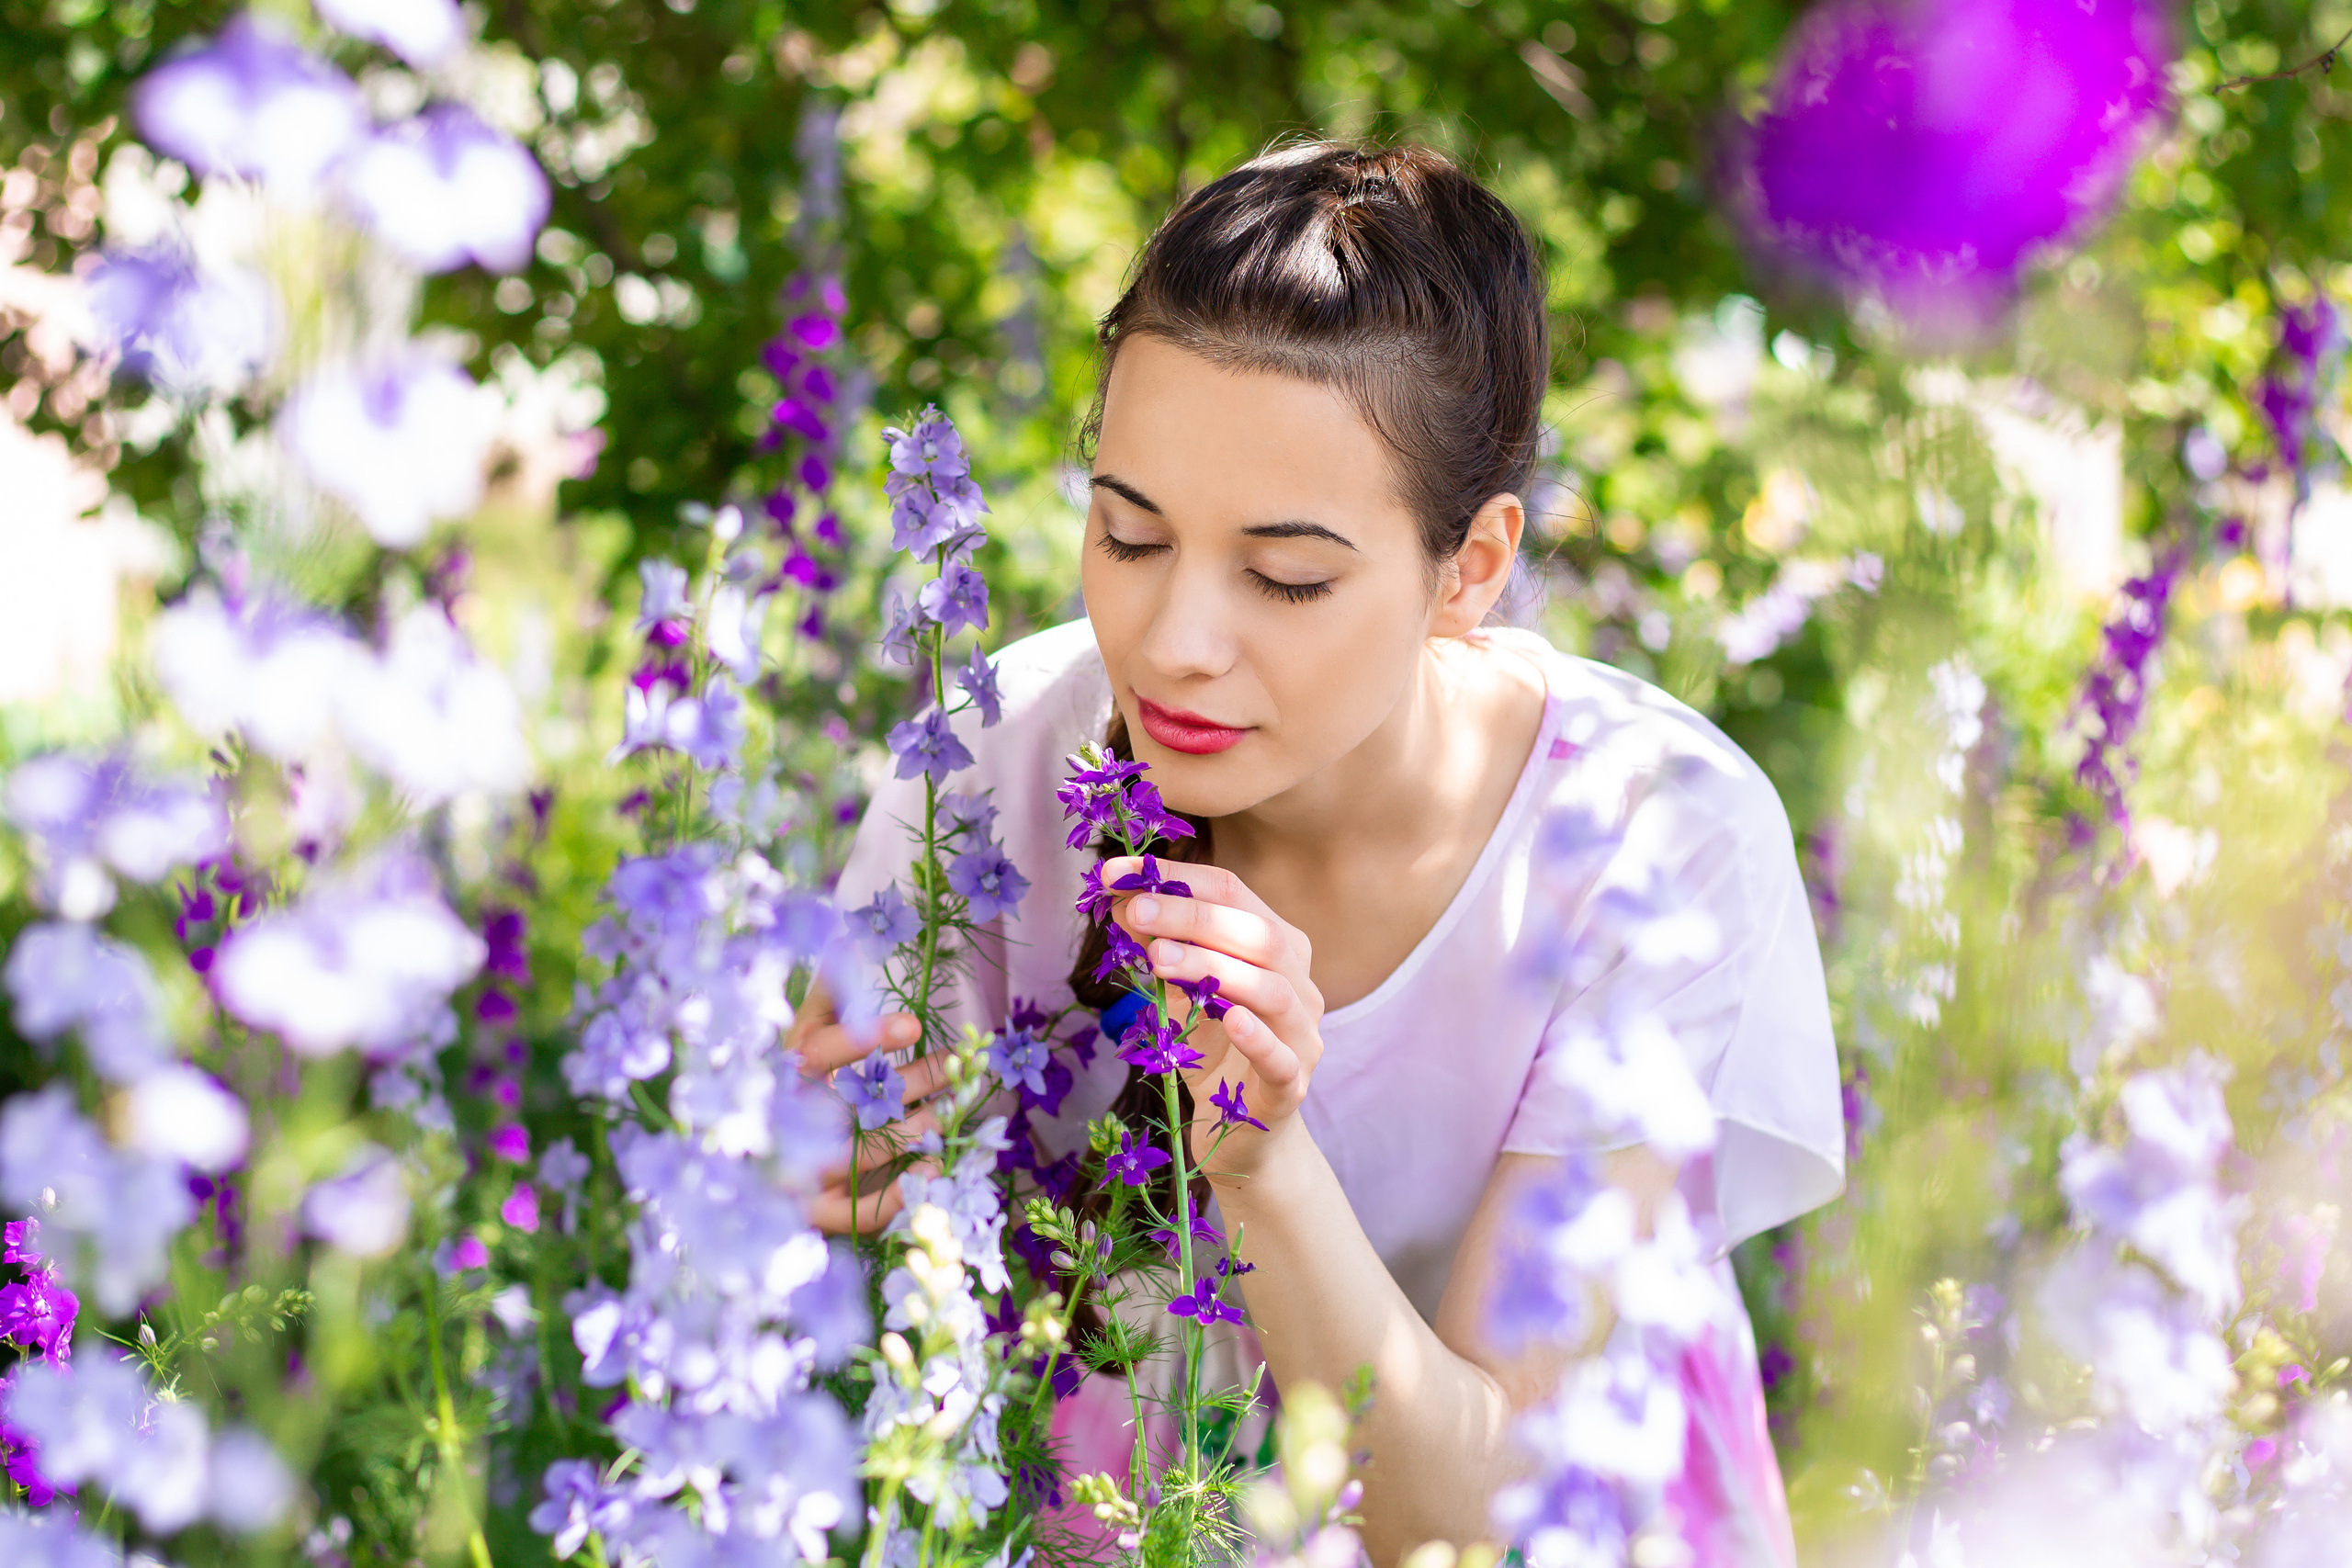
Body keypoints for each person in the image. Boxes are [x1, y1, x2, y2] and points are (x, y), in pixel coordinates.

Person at [789, 140, 1844, 1566]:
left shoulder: (1657, 842)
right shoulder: (986, 766)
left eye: (1285, 577)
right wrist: (820, 1177)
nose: (1174, 644)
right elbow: (870, 1262)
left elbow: (1467, 1519)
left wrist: (1261, 1164)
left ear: (1470, 571)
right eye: (1129, 534)